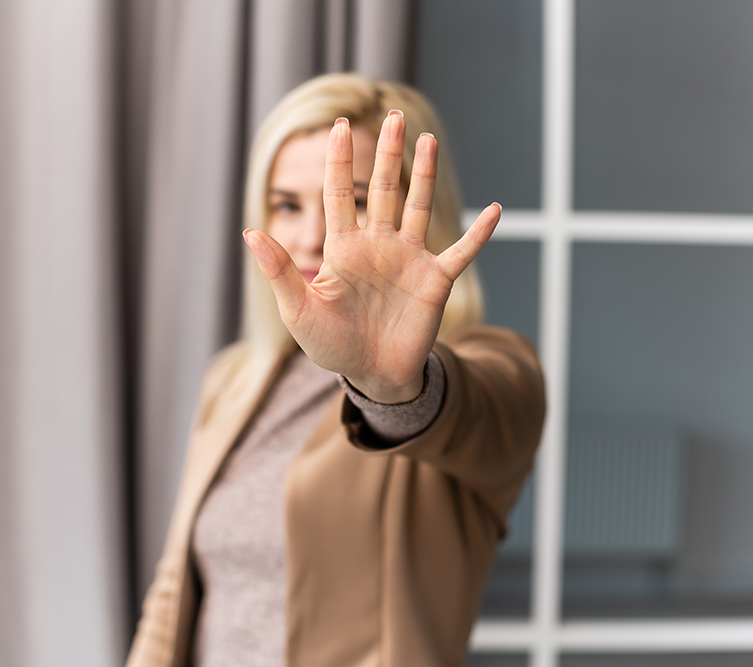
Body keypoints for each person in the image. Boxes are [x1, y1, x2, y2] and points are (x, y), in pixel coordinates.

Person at [126, 73, 546, 667]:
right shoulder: (236, 381)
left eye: (346, 199)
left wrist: (388, 381)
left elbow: (461, 407)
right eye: (287, 204)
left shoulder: (491, 369)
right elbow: (174, 592)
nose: (312, 235)